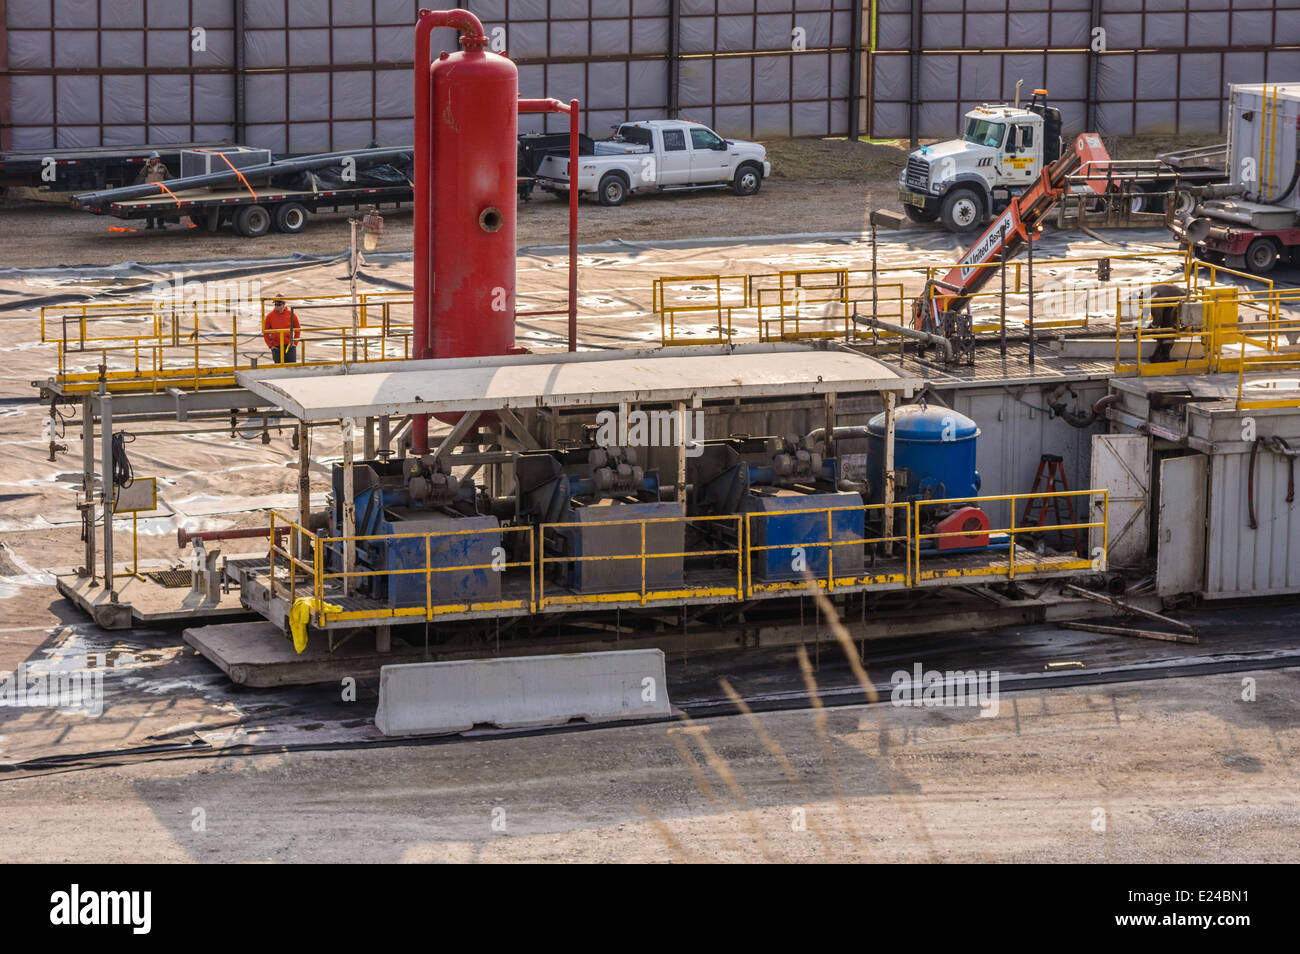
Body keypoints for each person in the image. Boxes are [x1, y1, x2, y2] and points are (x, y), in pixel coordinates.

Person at [134, 152, 171, 230]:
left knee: (160, 208)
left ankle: (160, 224)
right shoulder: (147, 168)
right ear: (150, 159)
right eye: (154, 159)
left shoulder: (162, 167)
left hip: (160, 190)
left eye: (157, 158)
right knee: (149, 208)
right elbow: (142, 174)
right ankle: (150, 224)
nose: (156, 160)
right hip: (149, 190)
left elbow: (167, 176)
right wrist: (146, 166)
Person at [263, 298, 302, 364]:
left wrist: (295, 343)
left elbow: (298, 329)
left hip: (289, 346)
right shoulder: (270, 316)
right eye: (275, 304)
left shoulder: (291, 314)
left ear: (284, 304)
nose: (276, 306)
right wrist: (271, 346)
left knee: (291, 367)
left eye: (278, 304)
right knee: (278, 368)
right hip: (276, 347)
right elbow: (265, 332)